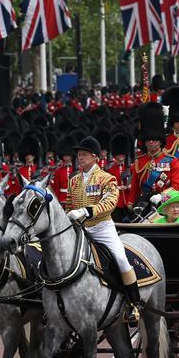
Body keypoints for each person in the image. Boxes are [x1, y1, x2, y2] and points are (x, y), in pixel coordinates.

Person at [65, 136, 143, 323]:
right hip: (80, 230)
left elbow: (109, 203)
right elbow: (68, 204)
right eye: (79, 155)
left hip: (102, 228)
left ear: (95, 157)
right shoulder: (73, 181)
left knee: (121, 259)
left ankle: (135, 303)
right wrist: (68, 215)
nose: (80, 157)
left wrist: (86, 211)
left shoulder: (107, 178)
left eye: (84, 154)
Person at [128, 103, 179, 208]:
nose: (151, 142)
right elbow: (135, 189)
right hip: (144, 207)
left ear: (160, 141)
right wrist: (131, 206)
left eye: (154, 139)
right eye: (148, 139)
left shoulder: (172, 161)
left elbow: (176, 187)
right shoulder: (139, 162)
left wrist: (162, 196)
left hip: (165, 206)